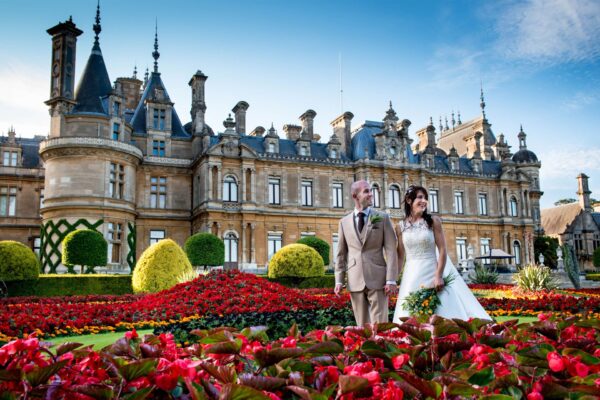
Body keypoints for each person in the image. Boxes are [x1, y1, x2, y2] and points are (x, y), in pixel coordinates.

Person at [392, 185, 491, 322]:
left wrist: (438, 275)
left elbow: (443, 249)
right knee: (409, 312)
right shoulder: (400, 226)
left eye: (425, 198)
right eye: (420, 197)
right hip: (411, 274)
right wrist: (393, 279)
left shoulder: (433, 221)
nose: (424, 201)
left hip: (431, 271)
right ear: (409, 200)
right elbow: (400, 255)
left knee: (441, 310)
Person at [335, 180, 398, 326]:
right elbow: (341, 254)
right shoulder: (344, 222)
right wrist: (339, 280)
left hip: (378, 279)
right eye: (366, 191)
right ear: (355, 196)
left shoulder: (383, 218)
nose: (371, 194)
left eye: (371, 190)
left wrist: (391, 279)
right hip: (354, 278)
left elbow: (391, 250)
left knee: (380, 325)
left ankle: (381, 348)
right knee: (362, 326)